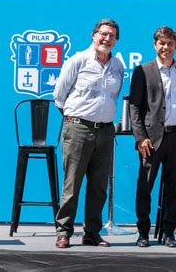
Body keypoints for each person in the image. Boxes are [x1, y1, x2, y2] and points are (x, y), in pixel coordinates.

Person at [53, 18, 124, 248]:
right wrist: (76, 118)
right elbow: (59, 95)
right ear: (94, 35)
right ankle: (64, 232)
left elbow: (113, 98)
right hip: (78, 128)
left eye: (112, 35)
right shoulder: (78, 60)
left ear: (116, 40)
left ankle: (92, 233)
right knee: (72, 184)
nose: (107, 38)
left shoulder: (117, 67)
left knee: (99, 187)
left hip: (105, 131)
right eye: (103, 34)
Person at [129, 26, 176, 248]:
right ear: (155, 45)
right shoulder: (143, 70)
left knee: (173, 187)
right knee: (145, 186)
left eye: (170, 43)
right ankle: (143, 233)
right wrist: (140, 138)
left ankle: (168, 233)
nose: (166, 47)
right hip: (151, 139)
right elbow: (135, 107)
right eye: (162, 43)